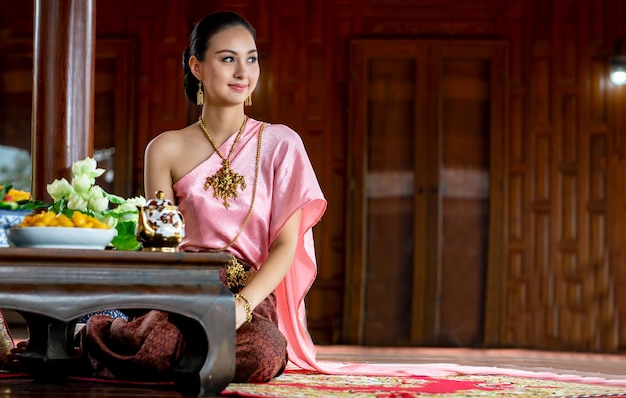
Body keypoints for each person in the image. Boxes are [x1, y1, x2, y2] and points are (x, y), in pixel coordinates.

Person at [143, 11, 326, 383]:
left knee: (264, 352)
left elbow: (286, 245)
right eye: (228, 59)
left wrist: (240, 307)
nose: (243, 72)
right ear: (197, 66)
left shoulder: (281, 144)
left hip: (249, 292)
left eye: (252, 58)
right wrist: (183, 302)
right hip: (183, 289)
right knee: (156, 344)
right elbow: (159, 245)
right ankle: (143, 343)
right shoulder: (165, 149)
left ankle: (181, 357)